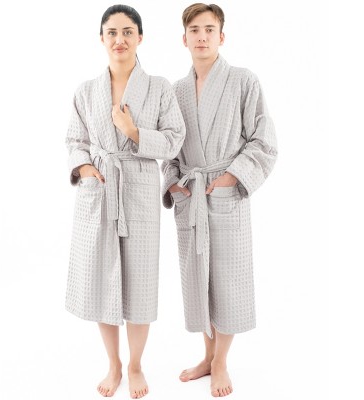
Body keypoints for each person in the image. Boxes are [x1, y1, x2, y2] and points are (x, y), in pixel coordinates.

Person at [65, 5, 185, 399]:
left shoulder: (160, 88)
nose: (120, 39)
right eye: (112, 32)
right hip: (100, 189)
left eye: (128, 32)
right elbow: (74, 140)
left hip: (139, 188)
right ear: (101, 38)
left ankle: (135, 365)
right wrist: (84, 168)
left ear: (140, 37)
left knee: (140, 281)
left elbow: (174, 140)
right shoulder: (86, 91)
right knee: (103, 278)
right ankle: (113, 364)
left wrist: (134, 132)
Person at [161, 3, 277, 397]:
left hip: (226, 193)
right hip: (192, 196)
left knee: (228, 279)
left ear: (222, 36)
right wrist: (173, 183)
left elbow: (264, 141)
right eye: (194, 30)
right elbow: (170, 148)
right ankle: (207, 356)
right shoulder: (175, 91)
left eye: (209, 29)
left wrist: (232, 177)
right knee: (198, 279)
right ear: (184, 39)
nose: (202, 36)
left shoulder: (244, 80)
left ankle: (222, 361)